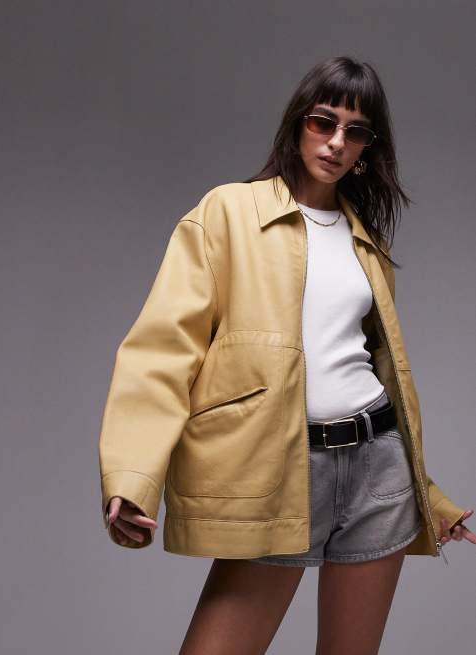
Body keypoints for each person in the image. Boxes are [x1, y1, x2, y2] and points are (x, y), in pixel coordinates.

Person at [99, 56, 475, 655]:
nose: (336, 142)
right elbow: (163, 351)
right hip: (275, 471)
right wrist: (132, 475)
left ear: (368, 149)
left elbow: (371, 371)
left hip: (379, 472)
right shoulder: (227, 213)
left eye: (356, 131)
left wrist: (428, 495)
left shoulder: (367, 243)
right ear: (297, 123)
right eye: (323, 122)